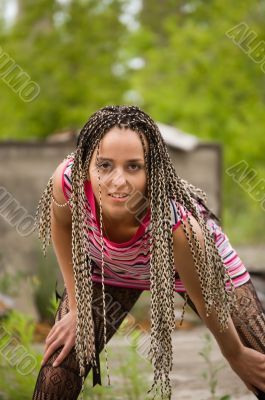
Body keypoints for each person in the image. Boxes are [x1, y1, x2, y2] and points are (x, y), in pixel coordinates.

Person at [32, 105, 265, 400]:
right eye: (104, 165)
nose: (119, 181)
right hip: (107, 268)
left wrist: (235, 354)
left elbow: (207, 297)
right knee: (58, 367)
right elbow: (63, 230)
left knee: (259, 365)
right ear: (85, 167)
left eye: (133, 166)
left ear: (151, 168)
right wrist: (79, 310)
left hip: (197, 272)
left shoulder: (177, 225)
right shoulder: (67, 182)